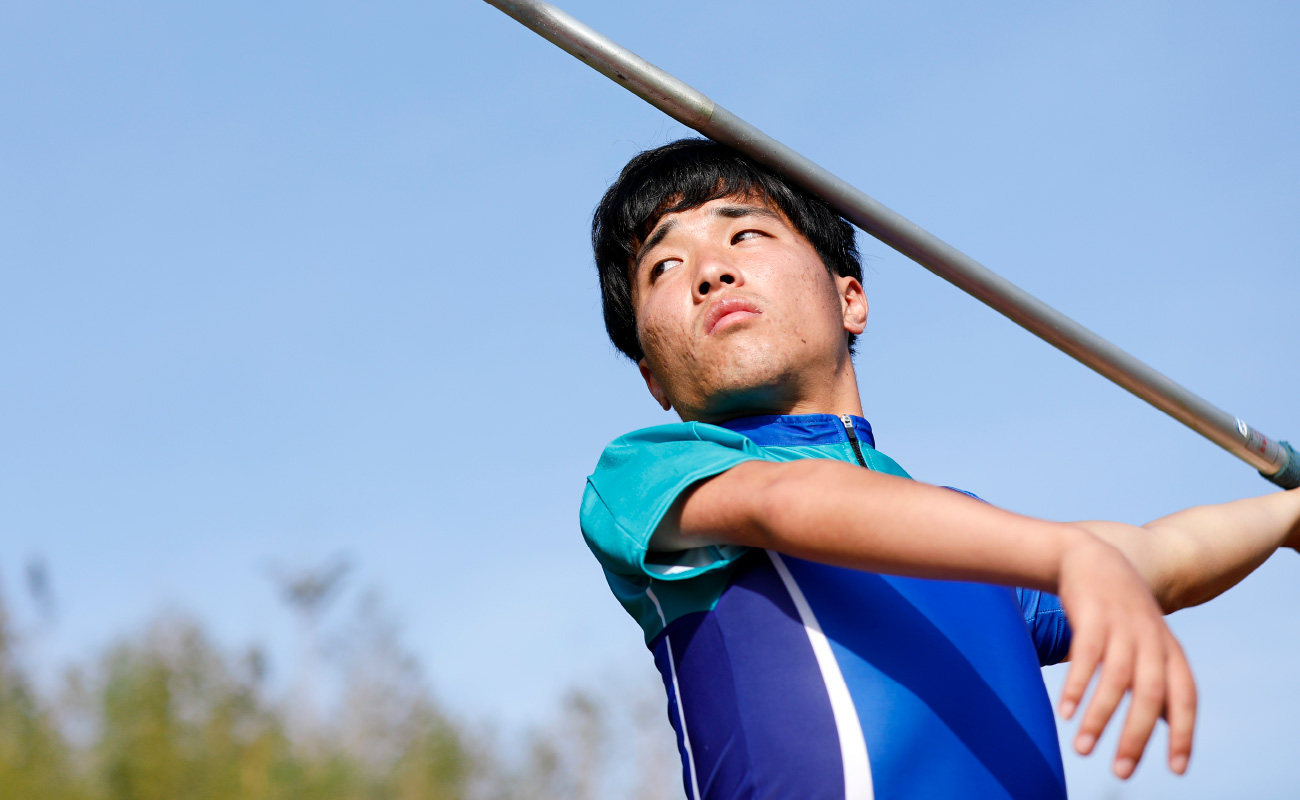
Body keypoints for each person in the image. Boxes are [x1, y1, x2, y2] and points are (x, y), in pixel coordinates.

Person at [578, 138, 1300, 800]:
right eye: (663, 267)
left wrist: (1286, 515)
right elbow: (787, 501)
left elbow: (1162, 560)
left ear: (850, 297)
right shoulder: (651, 474)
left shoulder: (965, 537)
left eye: (747, 234)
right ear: (653, 380)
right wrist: (1066, 552)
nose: (711, 271)